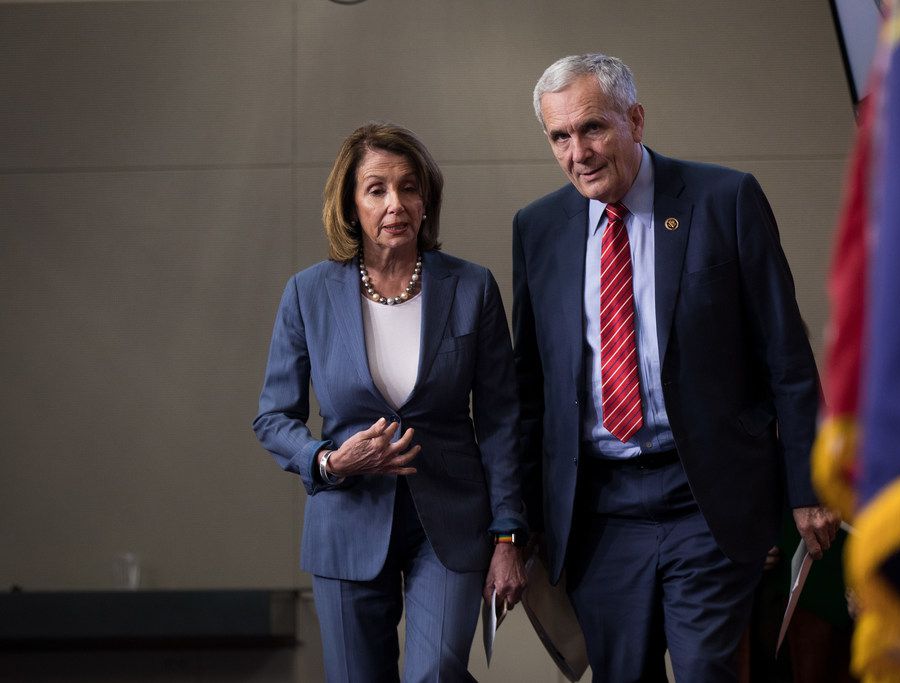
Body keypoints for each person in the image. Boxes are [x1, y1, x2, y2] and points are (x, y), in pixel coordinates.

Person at [512, 54, 840, 682]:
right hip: (598, 511)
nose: (578, 151)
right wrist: (517, 522)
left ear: (634, 119)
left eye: (593, 128)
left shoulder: (725, 198)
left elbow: (786, 357)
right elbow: (531, 388)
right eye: (560, 136)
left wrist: (808, 487)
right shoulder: (538, 228)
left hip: (704, 495)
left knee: (705, 671)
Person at [254, 122, 528, 682]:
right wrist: (329, 461)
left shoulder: (472, 287)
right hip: (347, 516)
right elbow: (273, 417)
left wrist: (508, 535)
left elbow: (502, 421)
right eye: (376, 189)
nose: (395, 204)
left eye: (409, 187)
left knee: (437, 673)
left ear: (427, 199)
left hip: (451, 519)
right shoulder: (308, 293)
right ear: (351, 205)